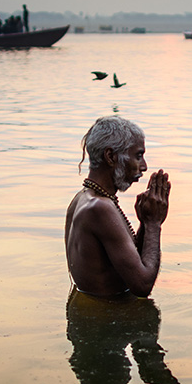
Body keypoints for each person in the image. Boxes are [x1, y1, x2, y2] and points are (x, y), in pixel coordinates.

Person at [65, 116, 170, 299]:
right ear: (111, 157)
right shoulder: (100, 208)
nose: (144, 166)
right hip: (107, 319)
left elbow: (127, 262)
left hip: (94, 317)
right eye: (138, 155)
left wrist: (145, 222)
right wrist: (154, 223)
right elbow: (143, 285)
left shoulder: (81, 199)